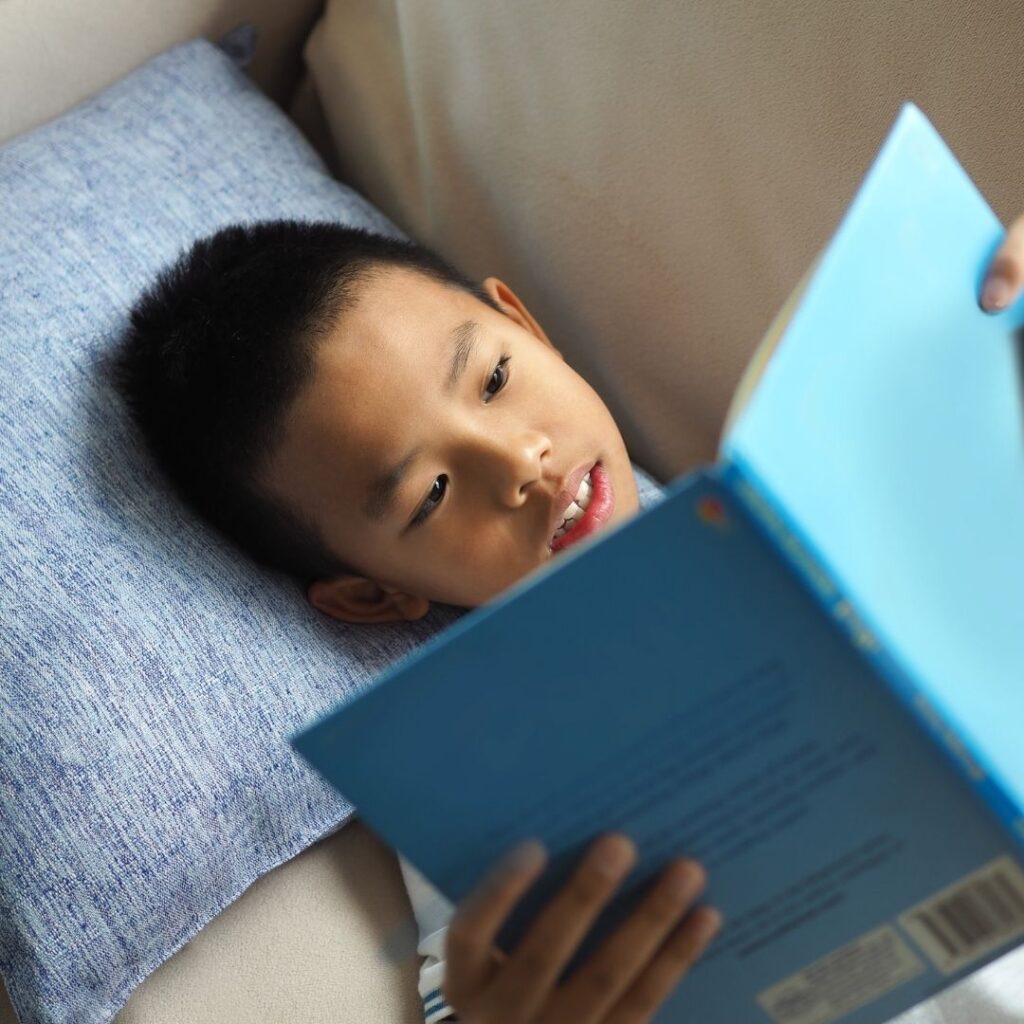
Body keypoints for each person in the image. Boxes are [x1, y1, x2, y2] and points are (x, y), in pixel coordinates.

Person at [113, 216, 1024, 1023]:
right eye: (429, 496)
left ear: (524, 322)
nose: (521, 462)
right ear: (372, 595)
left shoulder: (816, 475)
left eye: (497, 377)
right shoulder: (482, 796)